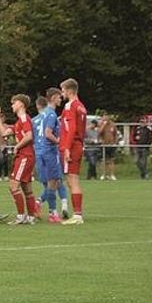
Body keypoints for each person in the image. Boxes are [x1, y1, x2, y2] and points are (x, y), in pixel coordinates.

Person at [0, 96, 40, 225]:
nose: (12, 106)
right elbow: (4, 133)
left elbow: (29, 136)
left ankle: (21, 216)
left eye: (14, 103)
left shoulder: (24, 118)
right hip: (25, 156)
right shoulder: (19, 122)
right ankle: (31, 217)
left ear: (21, 104)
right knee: (27, 188)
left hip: (25, 156)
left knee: (13, 186)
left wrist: (17, 146)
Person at [34, 90, 70, 222]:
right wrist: (59, 141)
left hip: (40, 151)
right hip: (50, 151)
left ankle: (44, 206)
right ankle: (52, 213)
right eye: (59, 97)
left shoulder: (42, 115)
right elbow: (48, 133)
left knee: (51, 183)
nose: (61, 99)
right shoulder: (51, 114)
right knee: (54, 182)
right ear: (54, 98)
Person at [59, 78, 88, 225]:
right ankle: (77, 214)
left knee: (72, 179)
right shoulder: (81, 106)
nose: (62, 93)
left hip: (71, 146)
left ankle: (77, 215)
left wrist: (66, 148)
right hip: (78, 145)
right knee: (72, 178)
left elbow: (71, 129)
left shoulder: (70, 106)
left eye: (63, 90)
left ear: (69, 90)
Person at [97, 114, 119, 180]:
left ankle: (112, 175)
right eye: (104, 117)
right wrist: (103, 125)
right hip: (104, 145)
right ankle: (103, 174)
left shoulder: (113, 125)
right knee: (104, 160)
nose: (105, 119)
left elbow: (115, 134)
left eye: (106, 117)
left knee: (111, 160)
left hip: (111, 145)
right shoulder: (101, 124)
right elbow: (99, 133)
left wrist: (115, 142)